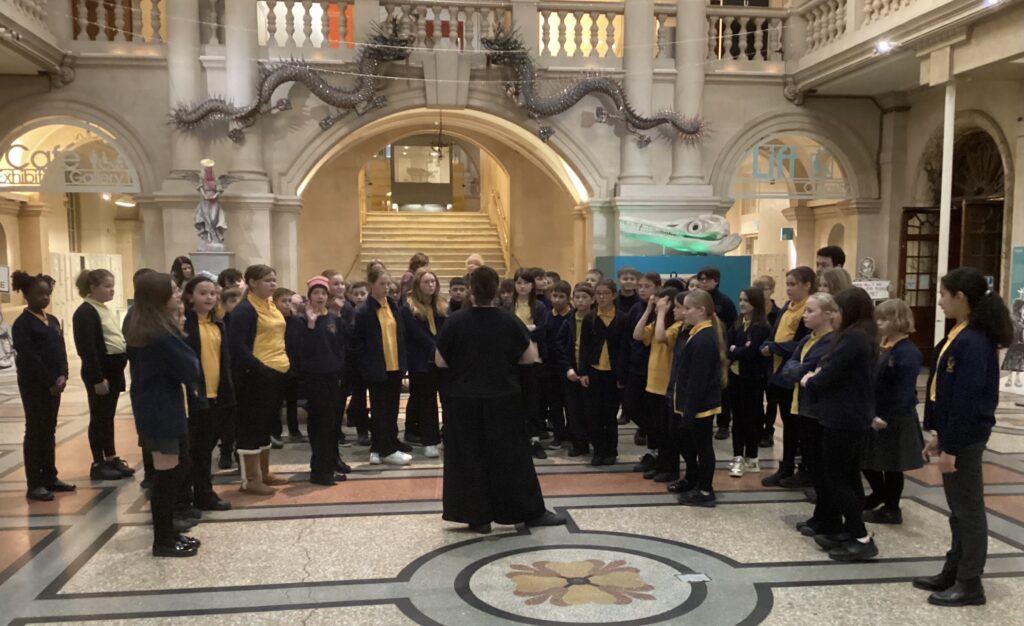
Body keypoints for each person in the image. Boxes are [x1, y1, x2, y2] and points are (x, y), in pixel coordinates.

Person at [435, 265, 565, 534]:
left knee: (468, 457)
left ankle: (477, 516)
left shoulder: (455, 321)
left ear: (471, 290)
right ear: (496, 290)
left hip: (463, 400)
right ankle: (526, 511)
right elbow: (529, 358)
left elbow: (440, 360)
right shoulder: (509, 321)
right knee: (510, 458)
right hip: (502, 398)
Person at [914, 267, 1013, 606]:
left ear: (960, 298)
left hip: (966, 437)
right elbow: (944, 389)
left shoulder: (974, 341)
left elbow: (967, 400)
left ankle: (970, 582)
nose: (939, 301)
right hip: (954, 434)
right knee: (958, 509)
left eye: (943, 295)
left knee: (968, 510)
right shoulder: (961, 332)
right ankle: (954, 568)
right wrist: (938, 433)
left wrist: (951, 446)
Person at [124, 272, 201, 557]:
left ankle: (169, 533)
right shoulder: (160, 333)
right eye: (173, 291)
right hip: (160, 411)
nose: (179, 294)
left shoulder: (150, 327)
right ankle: (164, 540)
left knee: (178, 467)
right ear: (159, 298)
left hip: (161, 406)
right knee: (168, 476)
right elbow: (190, 367)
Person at [802, 287, 879, 562]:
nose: (833, 316)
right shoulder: (859, 335)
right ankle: (849, 528)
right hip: (847, 415)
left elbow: (826, 374)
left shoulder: (854, 338)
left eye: (836, 311)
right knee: (847, 477)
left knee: (838, 478)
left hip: (843, 417)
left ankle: (860, 536)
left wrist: (810, 379)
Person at [227, 265, 291, 495]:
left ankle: (264, 472)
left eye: (274, 280)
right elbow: (237, 346)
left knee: (266, 425)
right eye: (267, 280)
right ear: (252, 283)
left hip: (275, 374)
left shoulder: (271, 305)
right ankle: (250, 479)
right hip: (254, 376)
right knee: (250, 427)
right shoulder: (245, 310)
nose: (273, 284)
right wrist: (260, 368)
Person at [12, 271, 74, 502]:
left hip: (54, 385)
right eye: (39, 294)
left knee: (49, 431)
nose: (45, 298)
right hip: (35, 385)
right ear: (27, 295)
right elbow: (29, 358)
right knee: (36, 431)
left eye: (48, 293)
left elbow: (61, 351)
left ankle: (50, 476)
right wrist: (49, 381)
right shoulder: (22, 324)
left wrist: (63, 375)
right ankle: (34, 483)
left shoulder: (54, 320)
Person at [861, 298, 924, 525]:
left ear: (898, 320)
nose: (879, 323)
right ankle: (880, 494)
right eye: (878, 318)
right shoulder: (883, 345)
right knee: (868, 459)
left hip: (894, 416)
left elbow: (904, 391)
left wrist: (885, 416)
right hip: (876, 412)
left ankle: (891, 507)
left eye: (884, 319)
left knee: (892, 465)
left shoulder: (908, 352)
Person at [73, 269, 133, 481]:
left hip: (113, 370)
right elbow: (87, 349)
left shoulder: (103, 308)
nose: (112, 290)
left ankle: (111, 456)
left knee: (108, 417)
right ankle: (98, 462)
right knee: (99, 418)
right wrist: (97, 378)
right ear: (92, 288)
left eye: (112, 285)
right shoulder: (85, 312)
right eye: (107, 286)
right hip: (101, 372)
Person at [669, 289, 727, 507]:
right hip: (689, 402)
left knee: (703, 447)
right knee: (689, 444)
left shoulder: (704, 339)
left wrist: (689, 412)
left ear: (702, 310)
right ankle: (692, 479)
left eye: (688, 308)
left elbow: (698, 380)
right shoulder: (696, 333)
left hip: (701, 405)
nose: (684, 313)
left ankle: (705, 489)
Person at [182, 275, 235, 511]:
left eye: (212, 293)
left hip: (217, 394)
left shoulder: (218, 323)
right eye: (203, 293)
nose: (209, 298)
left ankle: (204, 492)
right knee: (193, 449)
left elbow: (224, 361)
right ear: (190, 297)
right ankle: (187, 495)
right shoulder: (185, 324)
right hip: (194, 395)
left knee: (206, 448)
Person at [760, 267, 815, 487]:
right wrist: (768, 344)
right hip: (777, 372)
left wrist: (775, 347)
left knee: (794, 425)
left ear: (807, 285)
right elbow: (775, 333)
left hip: (792, 374)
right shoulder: (787, 307)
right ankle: (786, 466)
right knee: (788, 422)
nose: (789, 289)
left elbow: (801, 344)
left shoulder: (807, 311)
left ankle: (798, 468)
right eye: (788, 284)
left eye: (793, 284)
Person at [353, 265, 412, 466]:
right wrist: (366, 367)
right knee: (380, 410)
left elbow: (399, 335)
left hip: (394, 365)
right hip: (377, 367)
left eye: (388, 284)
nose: (386, 288)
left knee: (392, 409)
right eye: (382, 284)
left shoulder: (392, 306)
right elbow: (358, 343)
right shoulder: (364, 311)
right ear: (371, 285)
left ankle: (382, 445)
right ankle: (386, 450)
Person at [298, 277, 348, 486]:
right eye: (316, 293)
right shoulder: (302, 320)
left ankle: (330, 463)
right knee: (319, 423)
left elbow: (342, 344)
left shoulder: (333, 319)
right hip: (314, 377)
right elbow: (302, 349)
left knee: (331, 423)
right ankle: (319, 469)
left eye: (323, 293)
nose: (320, 297)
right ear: (309, 296)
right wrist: (310, 325)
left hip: (332, 375)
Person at [634, 287, 682, 483]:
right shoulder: (657, 323)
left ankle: (671, 468)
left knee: (668, 432)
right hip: (652, 384)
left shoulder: (677, 326)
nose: (658, 306)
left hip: (667, 387)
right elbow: (637, 335)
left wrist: (661, 312)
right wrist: (648, 310)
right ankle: (661, 464)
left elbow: (662, 337)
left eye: (663, 302)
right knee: (658, 430)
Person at [402, 267, 447, 458]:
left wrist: (443, 349)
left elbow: (447, 329)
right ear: (418, 285)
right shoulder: (409, 307)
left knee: (446, 399)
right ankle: (430, 441)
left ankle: (449, 435)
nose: (430, 285)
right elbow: (416, 334)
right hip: (421, 362)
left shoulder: (442, 306)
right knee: (427, 402)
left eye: (433, 282)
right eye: (426, 282)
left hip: (442, 360)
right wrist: (435, 348)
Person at [726, 287, 771, 478]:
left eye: (746, 300)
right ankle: (737, 456)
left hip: (752, 379)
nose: (742, 303)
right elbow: (728, 346)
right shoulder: (738, 323)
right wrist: (737, 349)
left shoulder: (762, 327)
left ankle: (752, 457)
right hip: (735, 377)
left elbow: (752, 353)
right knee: (737, 419)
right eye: (740, 299)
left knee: (751, 419)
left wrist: (737, 349)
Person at [506, 268, 550, 459]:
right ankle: (515, 438)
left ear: (532, 285)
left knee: (533, 400)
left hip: (533, 358)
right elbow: (506, 330)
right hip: (512, 359)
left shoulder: (539, 306)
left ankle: (534, 439)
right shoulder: (508, 306)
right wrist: (526, 329)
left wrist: (524, 331)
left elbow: (541, 331)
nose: (522, 286)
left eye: (526, 283)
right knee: (513, 400)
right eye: (519, 283)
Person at [580, 279, 624, 466]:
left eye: (606, 293)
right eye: (598, 293)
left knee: (610, 414)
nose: (602, 297)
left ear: (613, 295)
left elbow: (624, 349)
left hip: (613, 373)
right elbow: (584, 347)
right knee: (594, 414)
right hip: (594, 371)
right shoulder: (589, 318)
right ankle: (598, 450)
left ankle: (611, 450)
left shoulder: (622, 319)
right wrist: (583, 371)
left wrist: (622, 376)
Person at [623, 272, 663, 461]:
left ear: (657, 287)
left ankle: (655, 449)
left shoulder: (662, 310)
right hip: (636, 366)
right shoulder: (635, 309)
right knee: (630, 406)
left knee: (653, 410)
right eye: (640, 286)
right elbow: (630, 336)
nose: (642, 290)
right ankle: (651, 432)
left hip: (655, 367)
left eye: (647, 286)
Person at [696, 266, 737, 441]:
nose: (703, 282)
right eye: (701, 279)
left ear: (716, 280)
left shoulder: (724, 301)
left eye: (707, 279)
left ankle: (723, 424)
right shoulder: (697, 300)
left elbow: (733, 326)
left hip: (720, 348)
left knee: (723, 389)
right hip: (701, 348)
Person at [556, 282, 595, 457]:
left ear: (592, 299)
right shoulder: (568, 321)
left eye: (584, 297)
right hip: (572, 371)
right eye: (577, 297)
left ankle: (595, 440)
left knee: (591, 408)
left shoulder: (596, 319)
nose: (580, 301)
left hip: (592, 370)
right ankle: (579, 444)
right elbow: (560, 347)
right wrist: (568, 368)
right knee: (573, 409)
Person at [542, 280, 574, 450]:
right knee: (554, 403)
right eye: (554, 296)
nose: (557, 300)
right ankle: (558, 435)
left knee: (569, 403)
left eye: (562, 297)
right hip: (550, 366)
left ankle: (571, 434)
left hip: (566, 365)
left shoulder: (571, 316)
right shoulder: (547, 315)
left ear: (568, 298)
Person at [345, 281, 371, 446]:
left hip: (372, 361)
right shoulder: (348, 314)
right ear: (351, 296)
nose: (360, 297)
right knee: (359, 397)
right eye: (356, 294)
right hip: (355, 363)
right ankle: (362, 430)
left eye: (363, 293)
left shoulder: (372, 312)